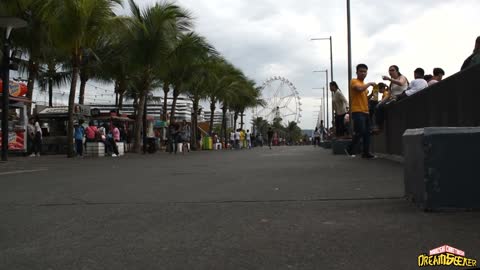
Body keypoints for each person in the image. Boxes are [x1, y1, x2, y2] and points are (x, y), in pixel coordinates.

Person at [345, 63, 376, 159]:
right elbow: (359, 89)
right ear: (357, 72)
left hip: (366, 111)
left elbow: (365, 97)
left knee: (367, 133)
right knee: (360, 131)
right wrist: (370, 84)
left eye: (365, 71)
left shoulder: (363, 85)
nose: (363, 73)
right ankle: (349, 149)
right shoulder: (354, 81)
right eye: (361, 71)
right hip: (357, 111)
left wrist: (372, 94)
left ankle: (365, 153)